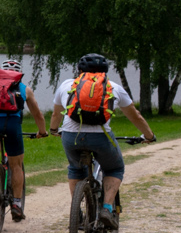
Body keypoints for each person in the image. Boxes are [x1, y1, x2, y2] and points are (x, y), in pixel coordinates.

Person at [55, 53, 156, 221]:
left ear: (79, 70)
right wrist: (149, 135)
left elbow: (55, 114)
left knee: (75, 168)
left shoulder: (67, 85)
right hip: (100, 138)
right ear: (105, 71)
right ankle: (107, 209)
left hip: (71, 137)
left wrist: (53, 130)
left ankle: (76, 212)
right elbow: (135, 116)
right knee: (115, 168)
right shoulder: (113, 87)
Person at [0, 58, 48, 222]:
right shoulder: (24, 89)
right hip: (12, 126)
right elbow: (38, 114)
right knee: (16, 166)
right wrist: (42, 132)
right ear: (18, 75)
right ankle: (16, 204)